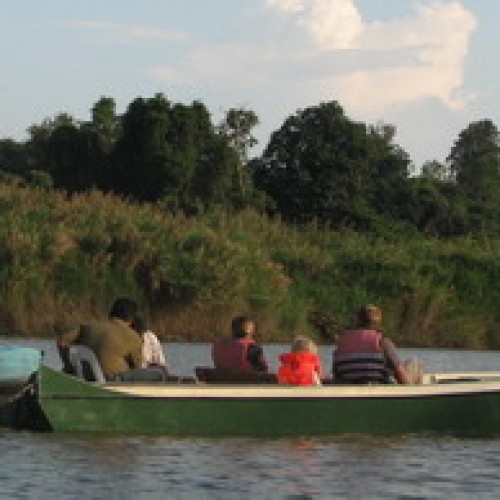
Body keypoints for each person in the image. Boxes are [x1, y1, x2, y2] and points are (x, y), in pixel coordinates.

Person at [57, 298, 164, 382]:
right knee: (159, 373)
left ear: (111, 313)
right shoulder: (133, 336)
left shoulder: (88, 327)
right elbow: (137, 367)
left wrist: (68, 366)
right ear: (132, 319)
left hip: (87, 376)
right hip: (112, 380)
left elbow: (62, 341)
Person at [332, 304, 410, 384]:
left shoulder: (342, 341)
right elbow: (401, 376)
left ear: (357, 321)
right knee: (413, 364)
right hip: (378, 388)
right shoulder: (382, 342)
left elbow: (336, 375)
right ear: (378, 322)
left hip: (349, 390)